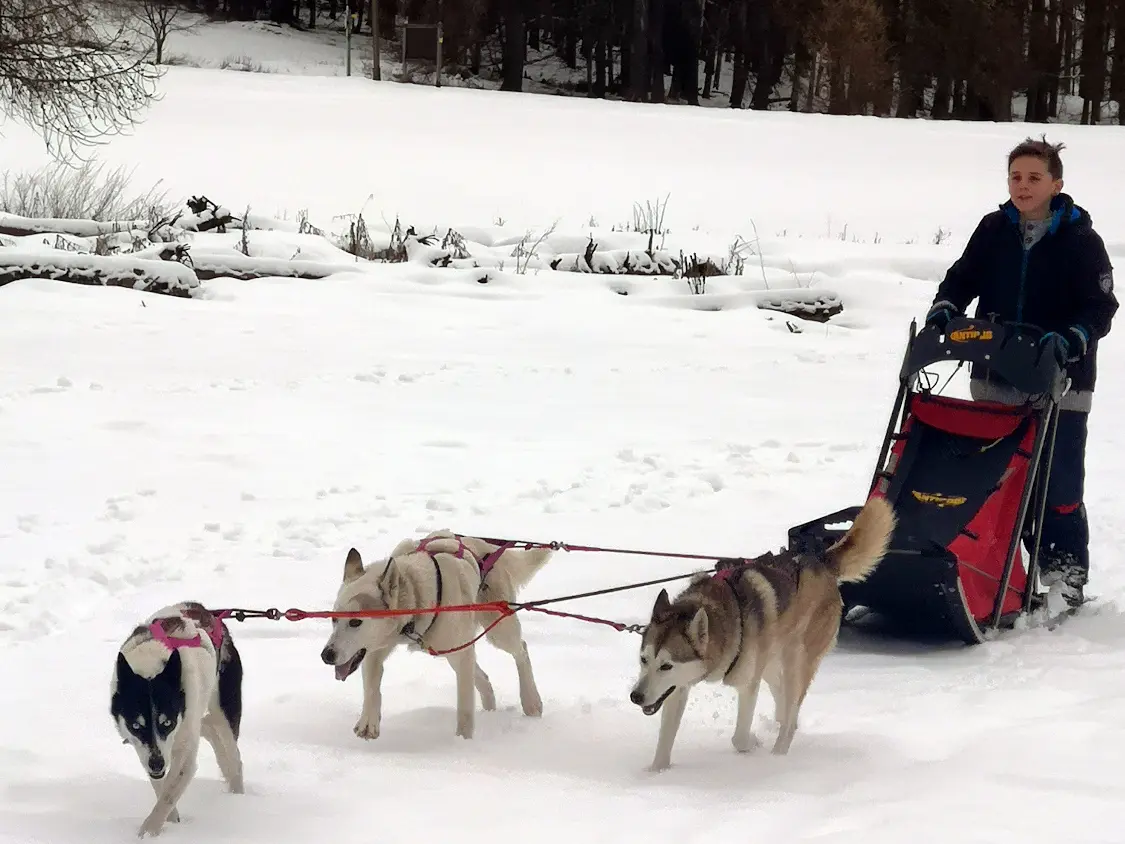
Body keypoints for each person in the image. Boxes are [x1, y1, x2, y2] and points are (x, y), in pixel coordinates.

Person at [924, 136, 1117, 611]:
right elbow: (962, 277)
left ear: (1056, 183)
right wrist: (946, 307)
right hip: (995, 375)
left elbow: (1101, 306)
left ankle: (1064, 572)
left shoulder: (1080, 240)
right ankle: (997, 570)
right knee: (997, 478)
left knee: (1059, 482)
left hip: (1061, 383)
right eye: (1015, 176)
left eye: (1034, 177)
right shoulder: (993, 230)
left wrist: (1073, 337)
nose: (1023, 186)